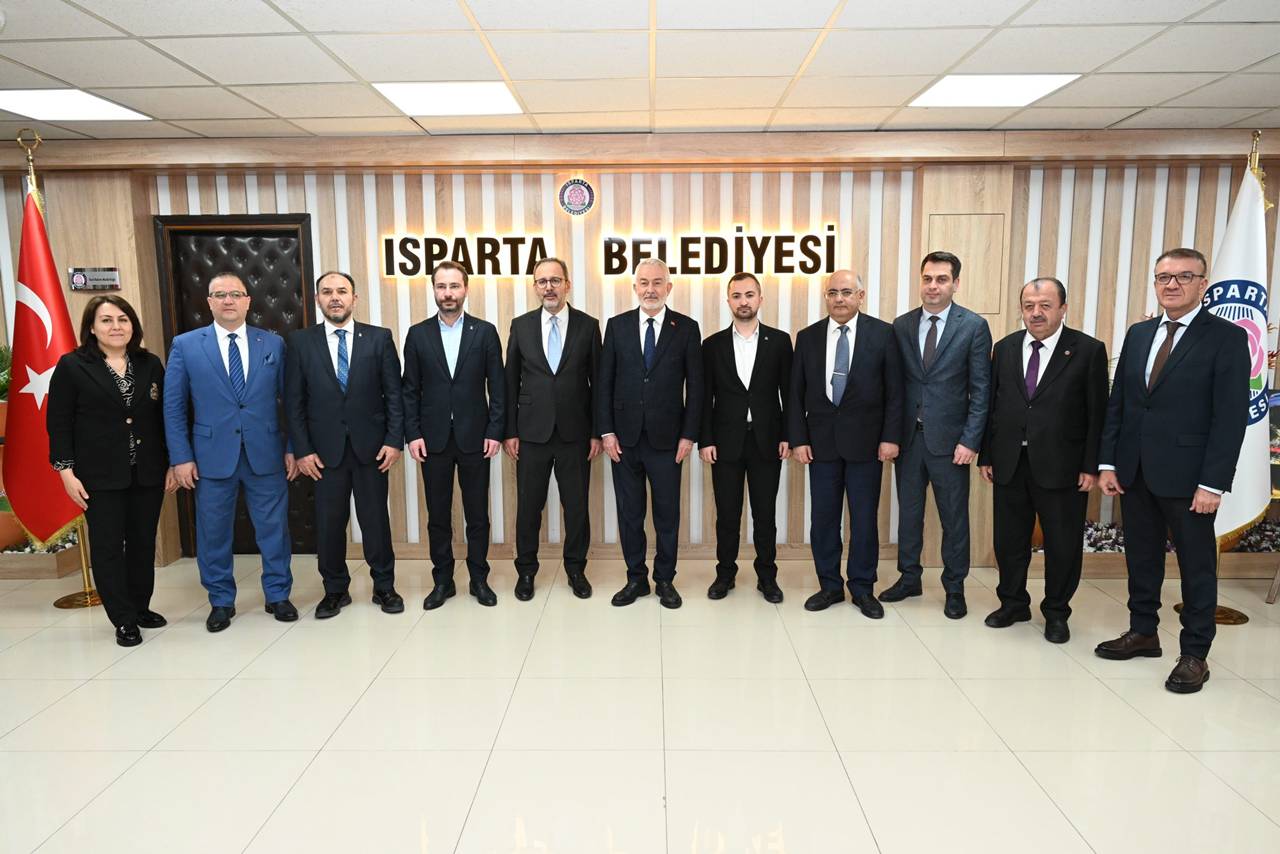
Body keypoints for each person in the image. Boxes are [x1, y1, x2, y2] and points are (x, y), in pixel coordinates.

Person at [1096, 247, 1249, 694]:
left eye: (1184, 276)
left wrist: (1212, 483)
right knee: (1141, 559)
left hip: (1190, 478)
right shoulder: (1140, 333)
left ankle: (1195, 653)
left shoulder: (1225, 337)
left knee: (1196, 567)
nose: (1172, 284)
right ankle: (1143, 632)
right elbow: (1121, 402)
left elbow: (1230, 416)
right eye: (1164, 277)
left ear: (1203, 284)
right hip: (1135, 471)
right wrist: (1109, 462)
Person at [163, 273, 298, 632]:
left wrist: (292, 447)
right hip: (209, 457)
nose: (228, 300)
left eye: (236, 294)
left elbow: (290, 402)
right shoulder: (186, 345)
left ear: (248, 301)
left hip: (266, 453)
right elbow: (173, 407)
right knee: (213, 533)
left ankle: (278, 594)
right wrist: (181, 457)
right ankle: (221, 600)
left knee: (274, 530)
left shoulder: (273, 344)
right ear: (208, 302)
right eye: (219, 294)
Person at [978, 277, 1108, 643]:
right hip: (1009, 462)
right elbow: (993, 405)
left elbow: (1098, 413)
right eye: (1029, 306)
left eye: (1045, 305)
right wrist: (987, 454)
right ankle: (1013, 603)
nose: (1036, 313)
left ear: (1063, 308)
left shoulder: (1087, 350)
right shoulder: (1005, 348)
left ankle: (1056, 612)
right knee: (1009, 540)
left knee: (1062, 544)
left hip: (1063, 466)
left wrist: (1091, 465)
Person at [47, 296, 176, 647]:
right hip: (98, 476)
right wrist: (65, 471)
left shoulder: (149, 363)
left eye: (123, 319)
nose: (116, 326)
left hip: (147, 471)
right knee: (107, 547)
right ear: (92, 327)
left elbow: (164, 417)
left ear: (133, 324)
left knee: (142, 543)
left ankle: (140, 606)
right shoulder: (73, 366)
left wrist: (172, 462)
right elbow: (58, 422)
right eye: (106, 320)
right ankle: (123, 618)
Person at [285, 270, 405, 619]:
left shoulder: (379, 338)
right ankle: (335, 590)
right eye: (327, 292)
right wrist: (303, 450)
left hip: (372, 449)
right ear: (317, 300)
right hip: (323, 453)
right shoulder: (300, 342)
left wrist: (394, 441)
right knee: (329, 523)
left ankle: (384, 586)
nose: (334, 297)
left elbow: (394, 395)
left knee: (375, 521)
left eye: (341, 291)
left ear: (355, 298)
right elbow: (293, 402)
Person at [884, 251, 992, 618]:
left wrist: (970, 440)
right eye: (928, 278)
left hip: (951, 443)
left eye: (942, 279)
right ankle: (909, 578)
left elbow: (981, 390)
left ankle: (954, 588)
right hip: (909, 439)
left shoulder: (973, 326)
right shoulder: (901, 325)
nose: (933, 286)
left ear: (955, 283)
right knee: (909, 514)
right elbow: (894, 386)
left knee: (954, 518)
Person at [790, 271, 902, 617]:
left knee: (864, 519)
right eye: (833, 293)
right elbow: (794, 394)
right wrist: (798, 439)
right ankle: (829, 586)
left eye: (847, 292)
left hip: (867, 445)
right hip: (820, 445)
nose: (839, 299)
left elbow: (896, 392)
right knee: (823, 519)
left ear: (860, 296)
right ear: (826, 296)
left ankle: (862, 588)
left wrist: (890, 437)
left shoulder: (883, 334)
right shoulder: (807, 337)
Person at [597, 257, 703, 609]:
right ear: (635, 287)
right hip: (623, 440)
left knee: (666, 514)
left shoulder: (686, 328)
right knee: (630, 513)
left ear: (668, 287)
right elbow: (604, 383)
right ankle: (636, 578)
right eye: (644, 283)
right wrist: (606, 431)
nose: (650, 289)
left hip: (668, 441)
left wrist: (689, 435)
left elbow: (696, 388)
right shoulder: (617, 326)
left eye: (657, 282)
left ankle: (665, 579)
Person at [403, 260, 505, 609]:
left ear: (465, 289)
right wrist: (413, 434)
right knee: (438, 516)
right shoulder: (418, 334)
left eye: (454, 286)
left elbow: (498, 387)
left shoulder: (485, 332)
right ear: (434, 290)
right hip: (431, 441)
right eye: (441, 286)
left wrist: (495, 430)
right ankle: (443, 581)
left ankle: (479, 579)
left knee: (477, 514)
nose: (448, 293)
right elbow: (409, 389)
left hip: (476, 438)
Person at [503, 257, 602, 601]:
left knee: (576, 507)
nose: (549, 287)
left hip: (576, 433)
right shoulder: (521, 326)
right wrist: (510, 431)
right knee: (529, 507)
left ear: (567, 285)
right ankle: (526, 571)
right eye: (542, 281)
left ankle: (576, 569)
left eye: (555, 280)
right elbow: (509, 381)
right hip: (531, 433)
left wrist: (597, 432)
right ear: (535, 287)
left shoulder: (588, 326)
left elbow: (599, 383)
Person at [699, 272, 792, 603]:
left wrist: (788, 435)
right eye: (737, 296)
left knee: (764, 514)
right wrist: (705, 440)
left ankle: (767, 577)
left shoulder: (779, 342)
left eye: (749, 295)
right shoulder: (712, 345)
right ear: (728, 301)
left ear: (760, 299)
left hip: (767, 441)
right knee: (727, 514)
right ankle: (725, 574)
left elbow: (789, 394)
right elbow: (703, 397)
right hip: (724, 442)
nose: (743, 301)